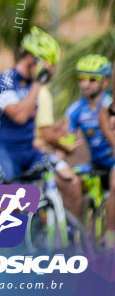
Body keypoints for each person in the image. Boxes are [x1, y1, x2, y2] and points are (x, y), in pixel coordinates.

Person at [0, 27, 81, 216]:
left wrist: (56, 133)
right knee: (12, 207)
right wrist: (38, 83)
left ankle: (70, 241)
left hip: (29, 153)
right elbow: (19, 116)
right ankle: (9, 242)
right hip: (3, 153)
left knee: (71, 182)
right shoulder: (4, 81)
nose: (51, 70)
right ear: (31, 59)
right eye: (48, 64)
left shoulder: (34, 87)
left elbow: (35, 123)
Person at [65, 54, 115, 247]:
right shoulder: (75, 110)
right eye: (81, 79)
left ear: (105, 81)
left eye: (92, 80)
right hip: (95, 165)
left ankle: (110, 237)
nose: (85, 85)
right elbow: (67, 142)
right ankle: (73, 237)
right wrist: (57, 155)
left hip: (113, 165)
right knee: (68, 179)